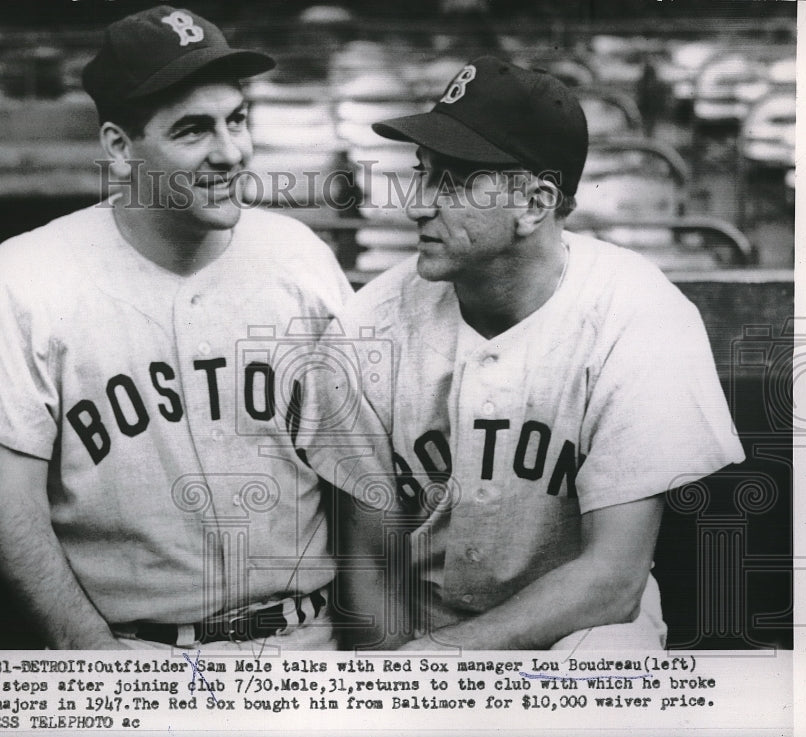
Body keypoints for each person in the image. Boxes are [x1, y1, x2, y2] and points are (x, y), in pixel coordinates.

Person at [0, 6, 352, 650]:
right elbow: (8, 507)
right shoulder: (21, 278)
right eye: (192, 130)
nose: (230, 152)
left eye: (237, 120)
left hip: (306, 640)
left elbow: (361, 476)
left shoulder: (300, 256)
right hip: (134, 650)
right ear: (120, 149)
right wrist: (94, 656)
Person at [301, 56, 744, 651]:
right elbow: (371, 568)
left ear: (534, 203)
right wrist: (404, 684)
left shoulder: (642, 316)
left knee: (602, 667)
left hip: (585, 627)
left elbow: (613, 580)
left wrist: (443, 662)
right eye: (422, 172)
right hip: (420, 635)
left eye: (452, 182)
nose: (416, 204)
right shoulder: (365, 331)